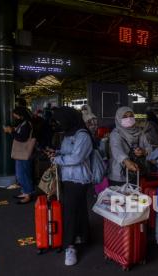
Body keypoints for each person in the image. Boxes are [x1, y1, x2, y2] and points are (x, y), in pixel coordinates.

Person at [45, 107, 92, 266]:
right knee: (77, 208)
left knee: (69, 211)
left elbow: (76, 157)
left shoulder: (83, 136)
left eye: (60, 120)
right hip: (68, 177)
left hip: (79, 179)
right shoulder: (68, 134)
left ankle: (69, 246)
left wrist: (58, 160)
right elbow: (67, 152)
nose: (58, 123)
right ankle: (82, 236)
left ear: (69, 119)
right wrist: (56, 152)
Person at [108, 106, 152, 186]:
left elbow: (149, 148)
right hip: (119, 175)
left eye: (131, 116)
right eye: (125, 116)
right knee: (119, 198)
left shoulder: (140, 132)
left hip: (137, 172)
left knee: (135, 197)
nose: (129, 119)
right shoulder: (116, 134)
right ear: (118, 118)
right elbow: (116, 149)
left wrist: (144, 151)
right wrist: (126, 161)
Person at [3, 107, 35, 204]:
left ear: (20, 114)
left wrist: (11, 131)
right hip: (21, 153)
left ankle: (28, 194)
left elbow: (22, 138)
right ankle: (25, 191)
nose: (14, 116)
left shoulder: (26, 124)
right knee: (21, 174)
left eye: (15, 114)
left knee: (23, 174)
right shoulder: (24, 122)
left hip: (24, 153)